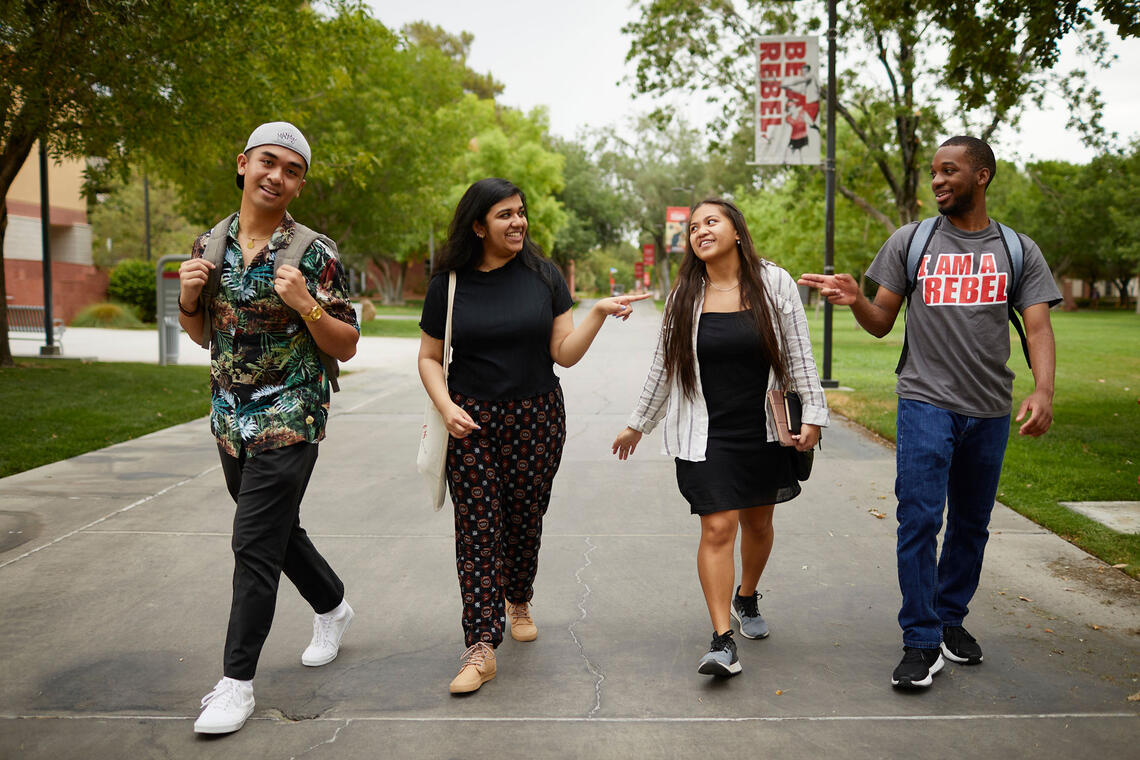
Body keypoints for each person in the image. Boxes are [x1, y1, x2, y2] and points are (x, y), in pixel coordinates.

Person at [799, 136, 1061, 690]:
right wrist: (856, 300)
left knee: (971, 522)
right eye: (934, 172)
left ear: (982, 176)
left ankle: (949, 620)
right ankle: (920, 639)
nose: (938, 180)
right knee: (919, 518)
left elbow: (1038, 327)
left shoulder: (1017, 249)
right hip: (924, 400)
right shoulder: (912, 240)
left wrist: (1043, 390)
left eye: (950, 171)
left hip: (989, 407)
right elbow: (881, 322)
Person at [418, 177, 650, 695]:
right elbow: (430, 357)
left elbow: (563, 353)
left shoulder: (544, 277)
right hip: (470, 419)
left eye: (520, 212)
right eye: (505, 214)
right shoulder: (448, 284)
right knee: (478, 528)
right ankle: (481, 644)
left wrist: (596, 313)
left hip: (537, 416)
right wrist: (447, 407)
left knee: (524, 519)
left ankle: (518, 597)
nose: (518, 221)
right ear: (478, 226)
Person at [178, 122, 360, 733]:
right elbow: (205, 335)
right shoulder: (210, 243)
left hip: (291, 413)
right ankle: (332, 604)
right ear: (243, 164)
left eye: (292, 170)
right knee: (276, 530)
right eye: (267, 162)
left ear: (300, 185)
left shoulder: (314, 253)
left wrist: (306, 303)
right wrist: (187, 301)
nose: (277, 176)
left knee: (253, 542)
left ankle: (236, 685)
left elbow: (347, 342)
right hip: (230, 418)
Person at [612, 198, 828, 677]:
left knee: (758, 524)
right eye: (693, 227)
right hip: (705, 433)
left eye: (711, 222)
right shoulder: (685, 295)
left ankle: (746, 596)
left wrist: (813, 414)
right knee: (716, 528)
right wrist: (638, 423)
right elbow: (664, 366)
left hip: (764, 429)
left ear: (736, 231)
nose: (700, 231)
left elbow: (799, 353)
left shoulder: (774, 283)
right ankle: (721, 639)